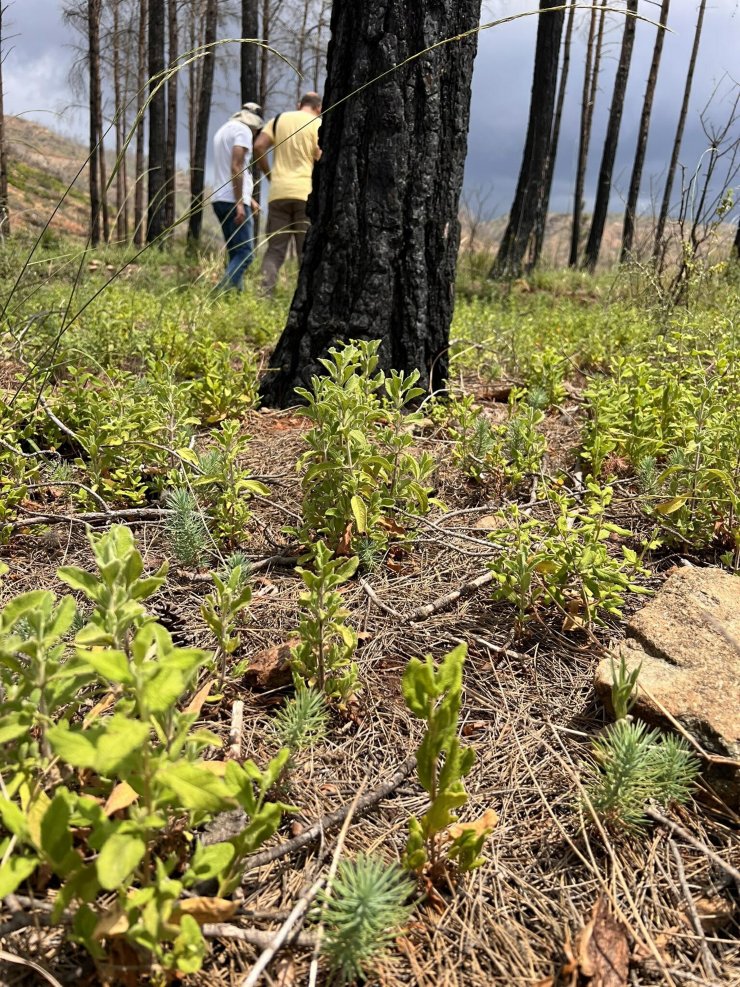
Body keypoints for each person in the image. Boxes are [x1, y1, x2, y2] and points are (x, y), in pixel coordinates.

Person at [253, 92, 322, 295]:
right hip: (305, 194)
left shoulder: (278, 120)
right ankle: (305, 299)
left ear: (299, 104)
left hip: (279, 193)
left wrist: (270, 175)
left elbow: (258, 146)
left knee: (275, 251)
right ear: (318, 108)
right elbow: (320, 155)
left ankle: (263, 298)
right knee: (305, 253)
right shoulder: (317, 123)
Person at [211, 101, 264, 292]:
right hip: (233, 201)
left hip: (220, 199)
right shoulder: (243, 132)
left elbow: (231, 170)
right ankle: (219, 292)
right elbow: (236, 167)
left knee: (235, 253)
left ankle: (235, 297)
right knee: (246, 253)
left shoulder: (224, 130)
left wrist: (249, 199)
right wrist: (241, 203)